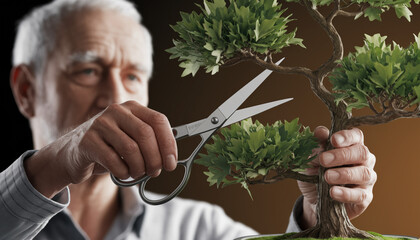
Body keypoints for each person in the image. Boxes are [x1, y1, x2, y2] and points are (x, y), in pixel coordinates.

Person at [0, 0, 377, 239]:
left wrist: (319, 216)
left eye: (132, 75)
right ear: (26, 90)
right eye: (86, 70)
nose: (115, 95)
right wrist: (53, 165)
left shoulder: (201, 228)